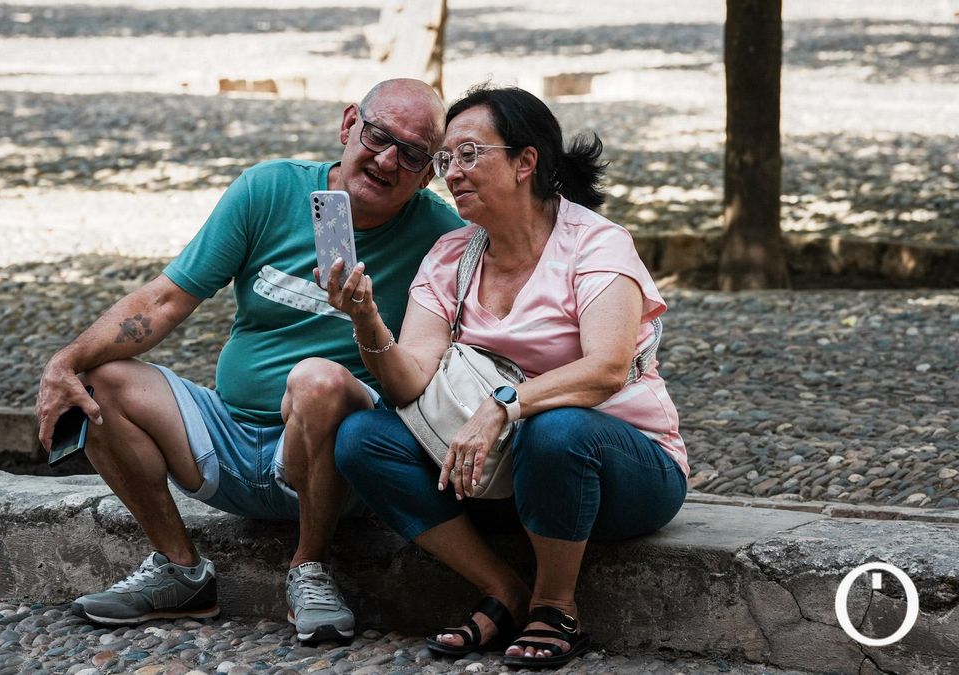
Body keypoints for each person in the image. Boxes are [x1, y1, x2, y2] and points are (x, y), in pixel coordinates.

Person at [34, 79, 463, 643]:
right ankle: (179, 570)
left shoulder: (442, 237)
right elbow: (164, 301)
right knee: (100, 380)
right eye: (378, 135)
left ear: (428, 172)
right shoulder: (268, 190)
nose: (386, 160)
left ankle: (309, 566)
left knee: (318, 380)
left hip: (335, 462)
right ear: (348, 125)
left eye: (411, 155)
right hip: (228, 438)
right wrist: (63, 363)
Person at [325, 85, 688, 668]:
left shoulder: (596, 243)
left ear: (526, 162)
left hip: (623, 473)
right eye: (447, 160)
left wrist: (503, 404)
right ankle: (503, 589)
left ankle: (554, 606)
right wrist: (365, 315)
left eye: (470, 154)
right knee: (362, 438)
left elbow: (606, 370)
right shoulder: (450, 255)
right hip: (499, 476)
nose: (452, 173)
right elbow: (408, 380)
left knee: (559, 430)